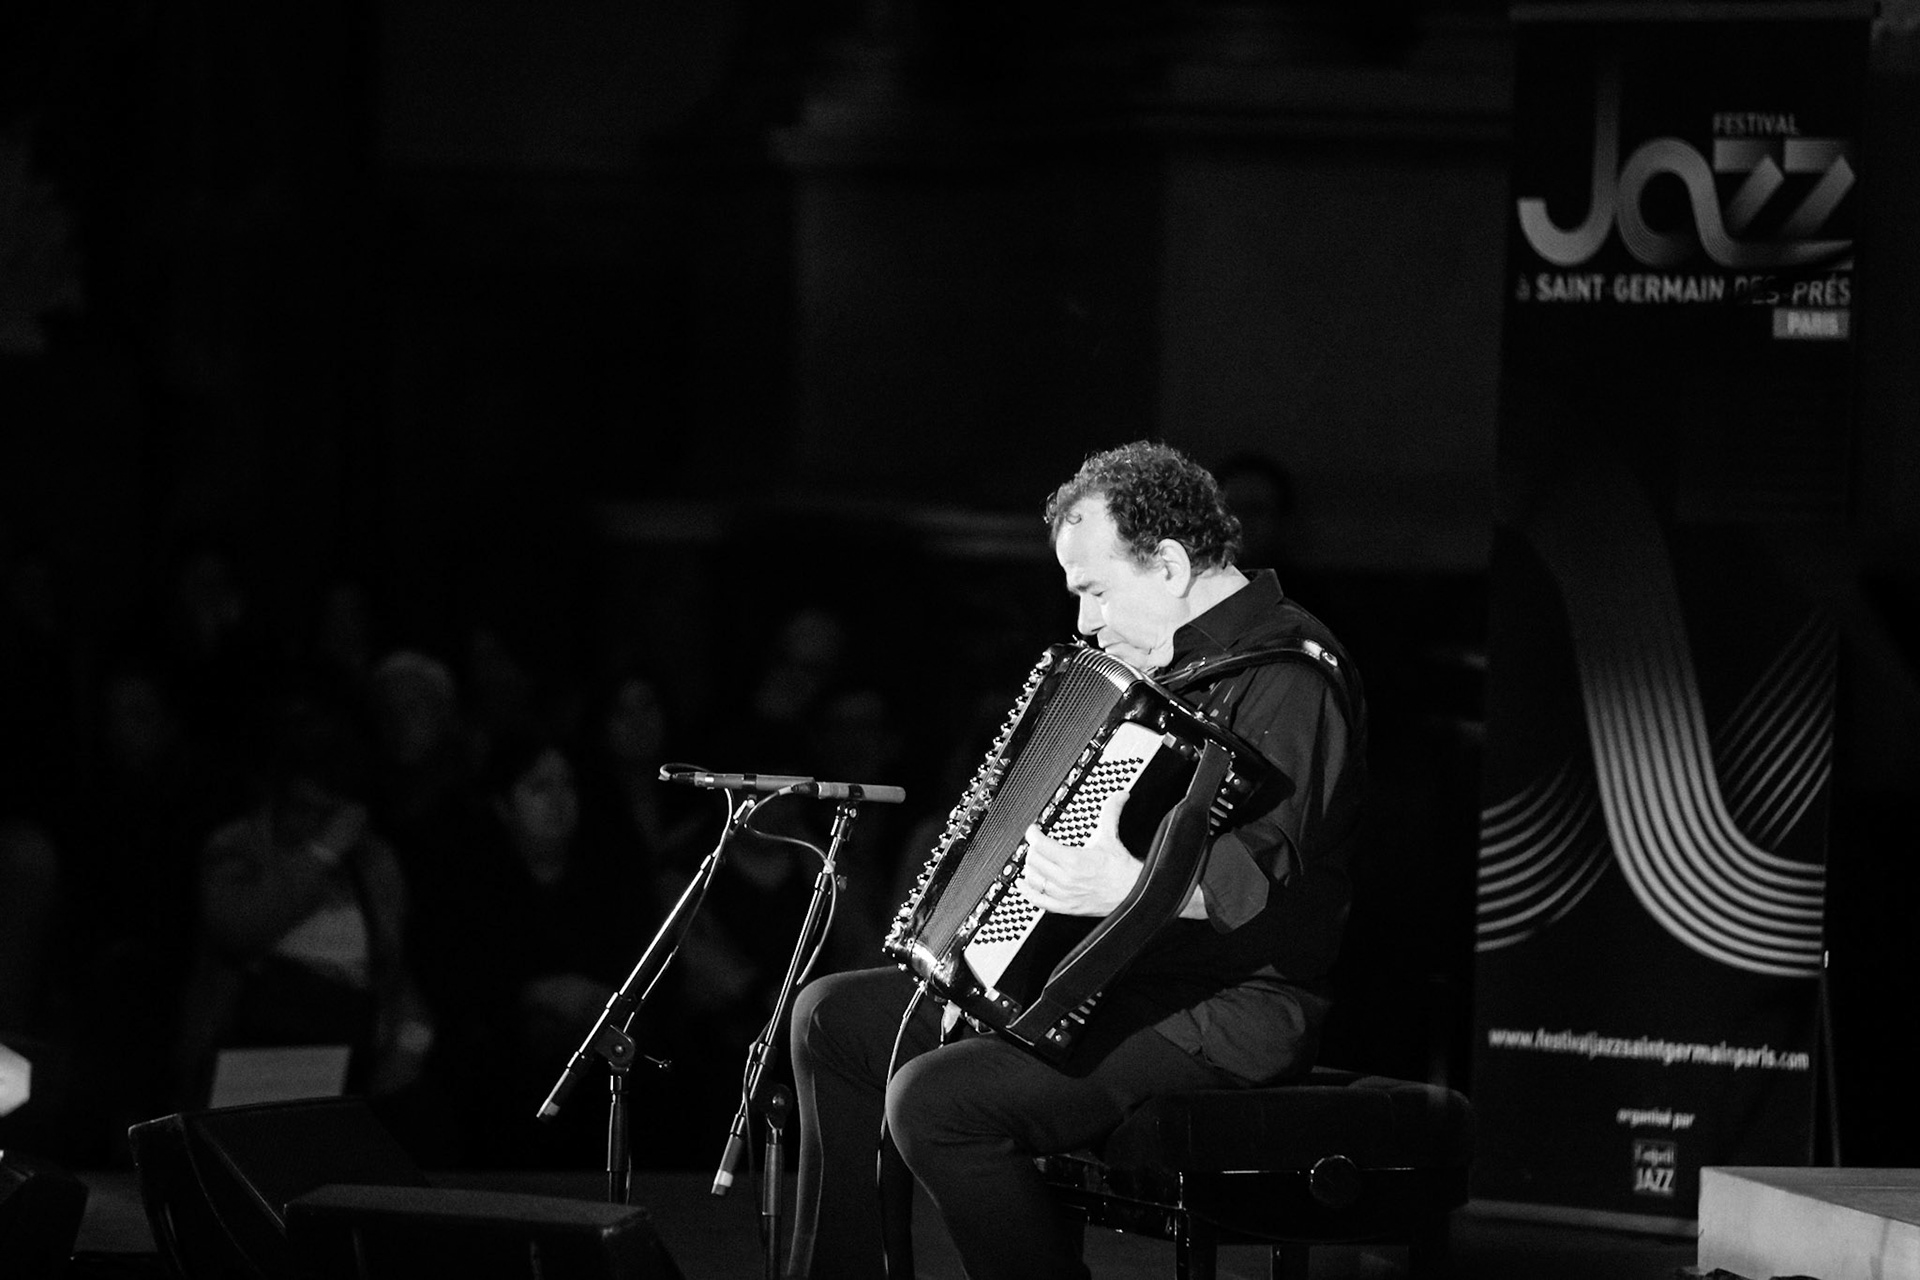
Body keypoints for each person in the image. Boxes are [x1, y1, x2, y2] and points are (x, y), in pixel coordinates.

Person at [784, 441, 1369, 1280]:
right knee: (831, 1017)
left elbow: (1261, 871)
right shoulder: (1162, 666)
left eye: (1095, 590)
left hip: (1220, 1011)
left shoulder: (1292, 673)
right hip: (1110, 982)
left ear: (1170, 566)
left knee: (936, 1102)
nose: (1086, 623)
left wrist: (1130, 887)